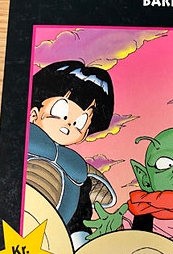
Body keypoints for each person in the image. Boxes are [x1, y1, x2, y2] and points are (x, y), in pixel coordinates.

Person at [27, 60, 114, 241]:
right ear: (34, 113)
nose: (68, 125)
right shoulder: (21, 144)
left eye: (80, 122)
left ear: (85, 134)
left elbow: (84, 209)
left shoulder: (78, 170)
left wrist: (80, 237)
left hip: (58, 236)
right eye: (61, 112)